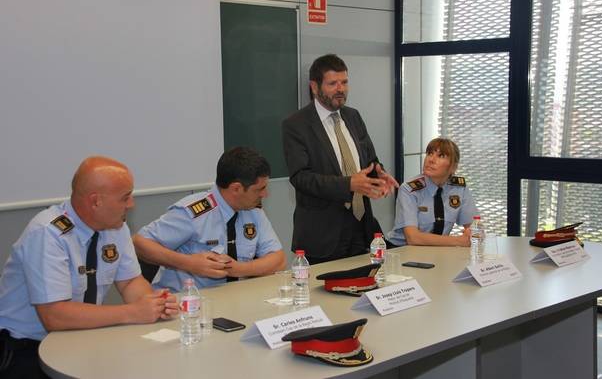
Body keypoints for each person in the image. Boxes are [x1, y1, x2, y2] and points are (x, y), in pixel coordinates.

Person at [0, 156, 177, 379]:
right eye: (125, 197)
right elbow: (54, 315)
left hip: (83, 337)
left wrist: (154, 303)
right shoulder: (48, 233)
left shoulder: (115, 227)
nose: (131, 204)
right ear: (95, 202)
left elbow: (130, 282)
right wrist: (133, 312)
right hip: (27, 349)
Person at [282, 54, 399, 264]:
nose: (340, 89)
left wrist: (378, 174)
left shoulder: (353, 116)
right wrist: (349, 184)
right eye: (332, 83)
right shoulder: (296, 125)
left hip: (361, 228)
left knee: (366, 290)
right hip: (322, 236)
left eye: (344, 82)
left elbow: (369, 159)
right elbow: (300, 178)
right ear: (314, 87)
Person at [133, 147, 286, 292]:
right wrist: (190, 263)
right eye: (259, 189)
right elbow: (140, 243)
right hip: (187, 303)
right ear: (236, 189)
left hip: (234, 299)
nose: (265, 194)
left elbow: (278, 260)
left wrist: (237, 269)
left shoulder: (253, 211)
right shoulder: (193, 212)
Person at [388, 138, 478, 246]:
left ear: (453, 167)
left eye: (441, 156)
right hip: (401, 251)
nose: (431, 160)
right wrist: (459, 241)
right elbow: (413, 238)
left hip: (437, 251)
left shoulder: (459, 188)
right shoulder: (409, 189)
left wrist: (473, 233)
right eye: (430, 154)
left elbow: (474, 226)